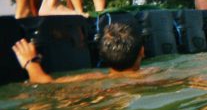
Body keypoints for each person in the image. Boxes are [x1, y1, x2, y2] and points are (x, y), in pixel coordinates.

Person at [12, 23, 145, 84]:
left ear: (102, 55)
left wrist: (30, 63)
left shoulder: (94, 78)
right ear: (142, 51)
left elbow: (45, 83)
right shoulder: (150, 77)